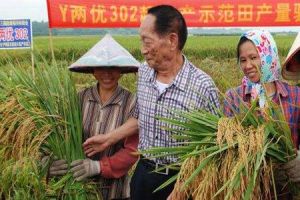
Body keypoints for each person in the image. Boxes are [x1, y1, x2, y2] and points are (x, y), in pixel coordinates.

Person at [83, 5, 220, 200]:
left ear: (172, 40)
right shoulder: (144, 72)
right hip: (144, 175)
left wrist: (182, 189)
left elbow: (212, 150)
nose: (143, 50)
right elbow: (140, 117)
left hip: (181, 180)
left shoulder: (202, 86)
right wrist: (109, 138)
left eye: (147, 42)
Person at [48, 34, 139, 200]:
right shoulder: (78, 99)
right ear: (92, 71)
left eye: (113, 68)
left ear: (121, 71)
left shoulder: (132, 103)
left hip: (115, 192)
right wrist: (49, 162)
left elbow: (132, 150)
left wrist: (98, 166)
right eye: (101, 68)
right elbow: (59, 135)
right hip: (77, 187)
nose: (107, 74)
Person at [223, 30, 300, 199]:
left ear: (268, 55)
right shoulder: (234, 97)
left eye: (253, 57)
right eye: (242, 60)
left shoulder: (295, 96)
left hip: (287, 190)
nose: (247, 65)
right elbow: (227, 147)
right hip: (250, 190)